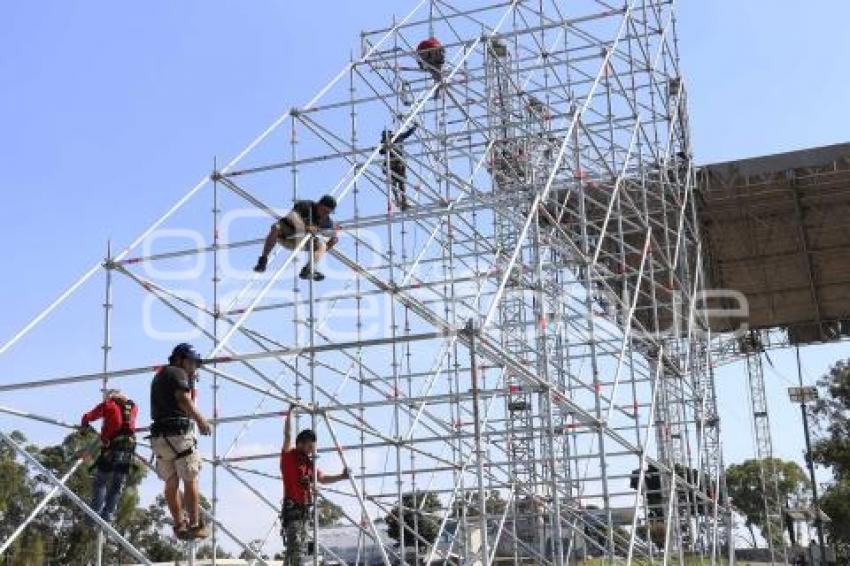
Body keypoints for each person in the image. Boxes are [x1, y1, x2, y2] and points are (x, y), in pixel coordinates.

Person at [150, 343, 212, 540]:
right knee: (190, 477)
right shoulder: (177, 372)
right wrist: (201, 421)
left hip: (160, 436)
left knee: (171, 481)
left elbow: (176, 395)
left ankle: (180, 524)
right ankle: (194, 523)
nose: (193, 366)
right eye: (191, 362)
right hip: (178, 434)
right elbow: (183, 400)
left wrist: (191, 381)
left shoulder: (161, 375)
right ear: (179, 359)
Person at [280, 404, 350, 566]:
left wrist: (342, 476)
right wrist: (290, 413)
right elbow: (287, 435)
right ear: (301, 443)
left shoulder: (310, 464)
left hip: (304, 510)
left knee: (298, 547)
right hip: (293, 510)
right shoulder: (289, 457)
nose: (312, 448)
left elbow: (323, 478)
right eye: (310, 444)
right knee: (295, 547)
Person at [80, 389, 138, 523]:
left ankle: (92, 517)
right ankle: (107, 517)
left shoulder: (108, 405)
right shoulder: (133, 407)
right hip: (128, 449)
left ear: (109, 397)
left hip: (111, 448)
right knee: (117, 485)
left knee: (101, 482)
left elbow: (87, 417)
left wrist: (84, 427)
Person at [253, 195, 339, 281]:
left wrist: (331, 241)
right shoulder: (306, 206)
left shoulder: (326, 221)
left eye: (328, 212)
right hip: (286, 235)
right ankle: (263, 260)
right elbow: (292, 216)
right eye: (324, 210)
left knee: (322, 245)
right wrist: (304, 227)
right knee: (276, 227)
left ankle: (309, 268)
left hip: (301, 242)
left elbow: (332, 237)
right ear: (318, 204)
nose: (325, 214)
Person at [379, 124, 417, 211]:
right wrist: (414, 127)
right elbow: (407, 133)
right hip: (395, 165)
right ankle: (401, 200)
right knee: (399, 183)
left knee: (397, 183)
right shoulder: (394, 139)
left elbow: (407, 133)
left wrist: (414, 127)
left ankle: (401, 200)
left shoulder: (395, 138)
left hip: (395, 164)